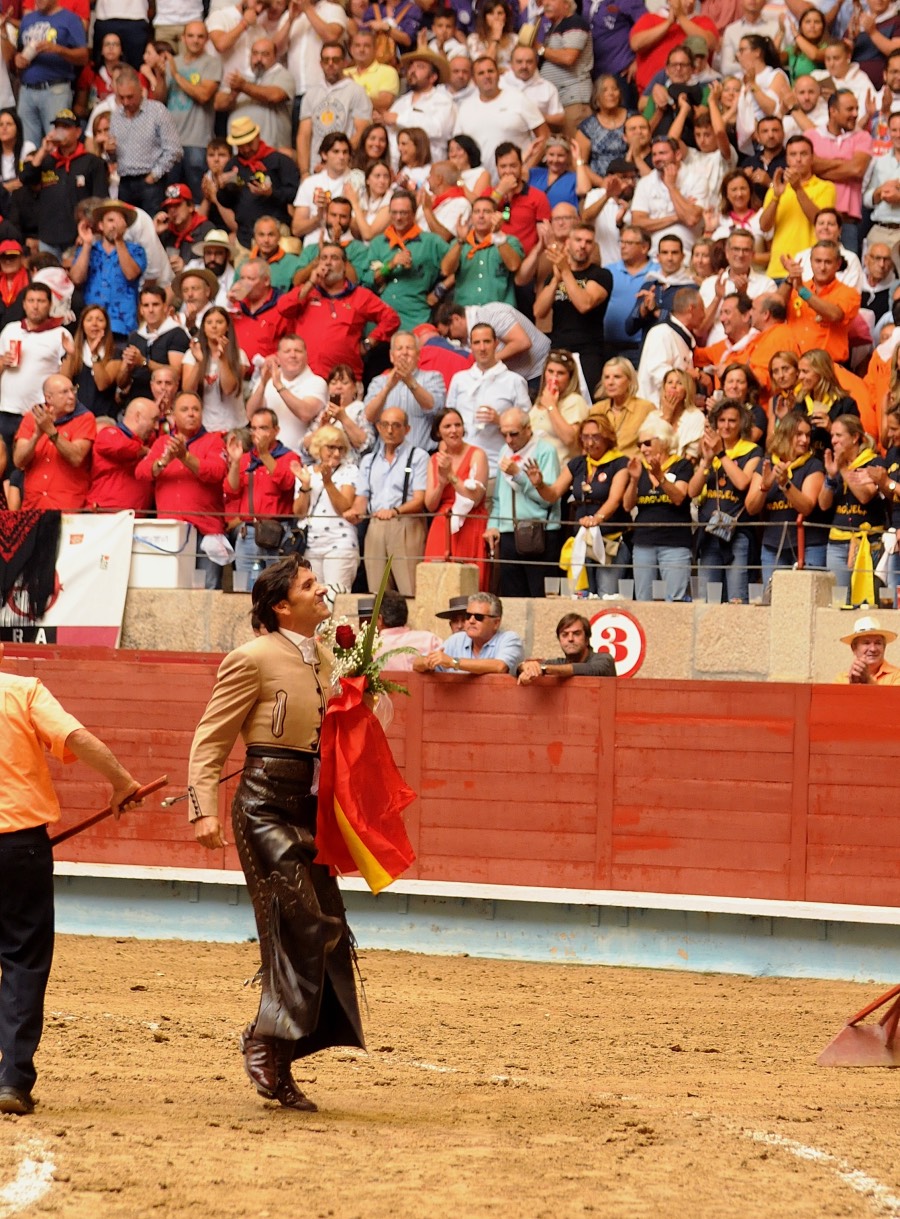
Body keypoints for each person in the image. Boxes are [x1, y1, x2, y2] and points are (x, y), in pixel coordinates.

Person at [187, 555, 364, 1112]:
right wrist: (203, 809)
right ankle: (266, 1039)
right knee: (303, 923)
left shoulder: (327, 656)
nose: (321, 590)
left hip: (311, 808)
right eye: (309, 585)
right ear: (282, 606)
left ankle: (277, 1055)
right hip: (264, 805)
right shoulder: (251, 658)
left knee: (328, 927)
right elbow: (211, 738)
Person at [0, 639, 142, 1117]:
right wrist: (121, 781)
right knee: (22, 959)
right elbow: (77, 739)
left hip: (19, 843)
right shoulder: (21, 691)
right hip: (18, 844)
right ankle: (12, 1080)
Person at [526, 414, 628, 596]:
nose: (590, 443)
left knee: (606, 596)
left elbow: (614, 500)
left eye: (595, 437)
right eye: (585, 437)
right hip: (582, 541)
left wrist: (596, 519)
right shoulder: (577, 463)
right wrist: (540, 484)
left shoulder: (620, 463)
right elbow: (553, 494)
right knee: (580, 596)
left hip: (609, 542)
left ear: (607, 437)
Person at [135, 391, 229, 584]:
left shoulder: (214, 441)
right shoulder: (162, 442)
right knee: (170, 587)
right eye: (185, 409)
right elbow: (141, 472)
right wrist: (163, 461)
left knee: (206, 591)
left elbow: (217, 472)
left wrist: (184, 457)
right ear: (173, 415)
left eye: (196, 409)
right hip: (170, 531)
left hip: (206, 531)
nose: (191, 414)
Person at [276, 242, 400, 380]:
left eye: (334, 258)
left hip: (342, 381)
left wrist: (368, 343)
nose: (328, 262)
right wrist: (310, 283)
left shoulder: (360, 295)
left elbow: (392, 318)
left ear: (345, 265)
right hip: (305, 379)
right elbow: (283, 308)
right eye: (324, 258)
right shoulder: (307, 292)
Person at [688, 398, 763, 603]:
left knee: (736, 599)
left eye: (732, 420)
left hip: (737, 534)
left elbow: (742, 482)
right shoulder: (708, 450)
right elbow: (692, 491)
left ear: (742, 423)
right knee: (707, 600)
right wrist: (706, 461)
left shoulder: (752, 451)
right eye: (721, 420)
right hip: (709, 532)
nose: (726, 426)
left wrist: (721, 454)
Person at [485, 406, 562, 598]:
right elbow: (498, 497)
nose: (508, 440)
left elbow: (548, 499)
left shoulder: (545, 451)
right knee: (512, 598)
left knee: (541, 597)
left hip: (539, 531)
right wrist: (493, 525)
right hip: (508, 531)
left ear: (528, 429)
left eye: (514, 434)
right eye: (504, 434)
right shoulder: (504, 451)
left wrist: (519, 476)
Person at [351, 406, 428, 596]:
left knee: (409, 587)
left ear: (407, 429)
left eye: (396, 425)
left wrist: (395, 511)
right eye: (385, 425)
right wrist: (354, 512)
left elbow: (420, 499)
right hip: (376, 524)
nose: (390, 430)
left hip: (406, 522)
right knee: (377, 590)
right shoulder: (369, 460)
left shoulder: (418, 456)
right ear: (378, 427)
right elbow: (362, 498)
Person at [0, 282, 74, 475]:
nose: (35, 306)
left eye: (41, 301)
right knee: (3, 468)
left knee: (29, 469)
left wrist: (70, 355)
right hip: (6, 410)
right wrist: (2, 363)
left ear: (50, 305)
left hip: (37, 413)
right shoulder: (10, 330)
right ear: (24, 304)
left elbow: (65, 379)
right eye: (31, 301)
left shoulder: (60, 333)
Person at [745, 412, 826, 583]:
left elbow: (806, 507)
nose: (805, 440)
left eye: (807, 435)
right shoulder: (767, 464)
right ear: (785, 435)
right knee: (774, 596)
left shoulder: (813, 465)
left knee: (806, 596)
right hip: (772, 546)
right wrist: (764, 487)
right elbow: (751, 508)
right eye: (799, 434)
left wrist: (785, 484)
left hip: (808, 546)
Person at [444, 322, 531, 478]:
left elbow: (528, 426)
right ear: (471, 346)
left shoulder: (514, 381)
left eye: (487, 342)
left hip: (499, 467)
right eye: (477, 343)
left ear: (496, 343)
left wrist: (500, 421)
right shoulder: (459, 380)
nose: (482, 348)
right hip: (462, 468)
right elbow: (448, 420)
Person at [534, 222, 612, 395]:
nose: (583, 245)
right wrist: (556, 280)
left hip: (588, 352)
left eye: (588, 242)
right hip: (558, 349)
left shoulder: (601, 275)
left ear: (593, 247)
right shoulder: (555, 275)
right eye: (578, 240)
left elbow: (584, 304)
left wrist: (565, 272)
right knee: (552, 399)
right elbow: (539, 312)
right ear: (568, 243)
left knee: (588, 401)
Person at [20, 108, 108, 256]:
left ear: (78, 132)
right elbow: (25, 178)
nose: (60, 131)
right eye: (57, 127)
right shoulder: (46, 161)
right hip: (48, 237)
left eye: (66, 127)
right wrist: (43, 151)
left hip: (79, 236)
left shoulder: (93, 162)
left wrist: (88, 230)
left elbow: (100, 200)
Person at [624, 416, 693, 601]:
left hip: (674, 543)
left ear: (663, 442)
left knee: (675, 601)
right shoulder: (640, 468)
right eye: (640, 445)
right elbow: (627, 505)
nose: (642, 449)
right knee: (643, 600)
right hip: (643, 542)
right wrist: (634, 480)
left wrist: (660, 477)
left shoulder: (682, 465)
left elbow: (679, 498)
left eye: (647, 443)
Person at [818, 414, 885, 605]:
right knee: (838, 603)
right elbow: (823, 504)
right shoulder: (836, 466)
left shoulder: (874, 462)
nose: (833, 440)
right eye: (832, 436)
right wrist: (831, 477)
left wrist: (843, 469)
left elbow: (865, 495)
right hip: (837, 543)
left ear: (855, 437)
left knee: (865, 603)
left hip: (868, 543)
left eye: (839, 435)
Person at [227, 406, 298, 588]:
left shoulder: (289, 457)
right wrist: (235, 463)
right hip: (248, 533)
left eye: (263, 428)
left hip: (277, 533)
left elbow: (287, 483)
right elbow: (232, 490)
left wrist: (265, 454)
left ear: (276, 430)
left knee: (276, 589)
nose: (257, 433)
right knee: (244, 590)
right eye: (254, 428)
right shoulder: (246, 458)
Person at [361, 190, 448, 328]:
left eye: (404, 213)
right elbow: (367, 280)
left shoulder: (430, 242)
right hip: (381, 320)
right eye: (394, 213)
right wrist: (390, 265)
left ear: (414, 214)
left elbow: (459, 264)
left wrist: (440, 289)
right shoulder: (378, 243)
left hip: (415, 318)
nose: (398, 218)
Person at [422, 406, 489, 585]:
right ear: (438, 432)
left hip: (471, 522)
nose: (453, 430)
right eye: (447, 426)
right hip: (443, 523)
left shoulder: (477, 454)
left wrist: (451, 475)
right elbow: (430, 505)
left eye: (457, 425)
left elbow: (475, 499)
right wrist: (441, 483)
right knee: (436, 582)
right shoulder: (435, 459)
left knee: (469, 583)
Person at [291, 424, 360, 594]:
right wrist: (305, 485)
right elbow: (299, 513)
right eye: (331, 447)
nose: (336, 453)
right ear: (318, 447)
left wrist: (328, 482)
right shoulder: (306, 472)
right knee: (313, 597)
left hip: (340, 543)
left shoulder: (350, 470)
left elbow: (344, 507)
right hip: (311, 545)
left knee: (336, 595)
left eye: (341, 448)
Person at [13, 373, 96, 511]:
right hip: (34, 505)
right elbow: (19, 461)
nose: (72, 396)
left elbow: (76, 458)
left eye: (73, 390)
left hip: (67, 506)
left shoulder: (85, 418)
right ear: (48, 398)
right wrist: (36, 436)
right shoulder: (32, 417)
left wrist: (51, 431)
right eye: (64, 392)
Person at [456, 56, 549, 178]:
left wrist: (526, 169)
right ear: (473, 79)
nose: (487, 76)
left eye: (490, 71)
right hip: (480, 183)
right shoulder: (465, 107)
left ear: (498, 74)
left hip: (519, 180)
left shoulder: (518, 98)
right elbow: (457, 149)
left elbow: (545, 136)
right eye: (481, 73)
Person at [215, 116, 300, 251]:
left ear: (258, 136)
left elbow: (295, 193)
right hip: (245, 237)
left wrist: (272, 193)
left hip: (277, 235)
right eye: (241, 146)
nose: (246, 149)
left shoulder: (279, 161)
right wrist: (223, 188)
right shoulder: (233, 165)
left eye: (249, 143)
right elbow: (226, 202)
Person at [14, 0, 88, 150]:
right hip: (27, 90)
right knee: (27, 146)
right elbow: (19, 50)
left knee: (57, 143)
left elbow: (84, 56)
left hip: (55, 90)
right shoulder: (27, 20)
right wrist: (18, 59)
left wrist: (58, 50)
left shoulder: (70, 19)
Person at [70, 198, 147, 341]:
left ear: (125, 226)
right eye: (110, 220)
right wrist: (87, 244)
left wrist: (119, 241)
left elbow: (131, 274)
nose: (114, 225)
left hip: (123, 327)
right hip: (91, 326)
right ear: (101, 225)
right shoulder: (88, 250)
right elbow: (76, 279)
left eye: (119, 221)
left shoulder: (136, 250)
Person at [110, 67, 182, 215]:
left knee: (153, 225)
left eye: (130, 97)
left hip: (150, 182)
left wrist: (154, 175)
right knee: (125, 226)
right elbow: (113, 157)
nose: (125, 102)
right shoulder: (116, 116)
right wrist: (109, 151)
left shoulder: (157, 111)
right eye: (121, 97)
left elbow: (175, 150)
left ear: (141, 90)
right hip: (124, 182)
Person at [162, 20, 221, 202]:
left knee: (199, 196)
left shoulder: (212, 63)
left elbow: (204, 95)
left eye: (200, 36)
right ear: (183, 38)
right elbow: (160, 99)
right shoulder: (173, 62)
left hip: (198, 141)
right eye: (191, 36)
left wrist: (176, 75)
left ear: (206, 40)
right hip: (171, 142)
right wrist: (157, 74)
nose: (195, 40)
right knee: (171, 197)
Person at [246, 333, 327, 457]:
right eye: (287, 351)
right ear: (278, 356)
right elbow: (250, 415)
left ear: (306, 355)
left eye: (298, 351)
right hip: (265, 455)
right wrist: (262, 383)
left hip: (300, 457)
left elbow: (305, 414)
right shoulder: (268, 378)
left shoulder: (317, 382)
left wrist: (279, 386)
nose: (293, 355)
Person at [363, 331, 445, 452]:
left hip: (421, 455)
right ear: (391, 356)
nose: (404, 352)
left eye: (409, 348)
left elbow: (435, 408)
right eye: (399, 348)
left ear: (418, 354)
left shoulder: (433, 377)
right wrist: (387, 388)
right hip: (386, 456)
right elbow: (369, 416)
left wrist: (410, 382)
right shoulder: (379, 382)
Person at [439, 196, 522, 308]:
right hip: (465, 311)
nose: (481, 216)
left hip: (499, 311)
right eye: (476, 212)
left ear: (496, 215)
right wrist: (460, 241)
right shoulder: (459, 244)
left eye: (486, 211)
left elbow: (513, 265)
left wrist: (497, 235)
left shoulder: (509, 241)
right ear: (471, 217)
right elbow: (446, 270)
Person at [412, 591, 524, 674]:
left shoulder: (509, 639)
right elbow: (417, 663)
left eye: (478, 617)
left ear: (496, 623)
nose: (471, 621)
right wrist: (426, 662)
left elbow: (499, 666)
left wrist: (453, 662)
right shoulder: (457, 639)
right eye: (468, 615)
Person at [116, 285, 191, 405]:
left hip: (166, 403)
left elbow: (176, 373)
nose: (150, 310)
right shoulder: (135, 337)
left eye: (155, 304)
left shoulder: (177, 334)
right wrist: (127, 367)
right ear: (141, 310)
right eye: (146, 305)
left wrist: (143, 362)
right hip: (136, 401)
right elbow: (121, 383)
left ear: (165, 307)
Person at [182, 306, 249, 433]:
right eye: (209, 322)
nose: (214, 326)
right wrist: (199, 362)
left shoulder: (239, 355)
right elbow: (188, 391)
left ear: (227, 327)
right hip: (204, 427)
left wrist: (222, 359)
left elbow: (228, 389)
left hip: (234, 427)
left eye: (219, 322)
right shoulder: (191, 354)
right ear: (203, 327)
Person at [636, 285, 705, 404]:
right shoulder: (661, 333)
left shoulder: (679, 335)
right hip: (654, 408)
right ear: (691, 309)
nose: (704, 315)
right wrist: (688, 376)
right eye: (702, 309)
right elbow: (658, 372)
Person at [87, 396, 158, 512]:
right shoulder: (108, 433)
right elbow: (120, 447)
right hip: (105, 515)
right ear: (138, 417)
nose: (156, 426)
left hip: (136, 517)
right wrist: (145, 451)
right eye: (154, 420)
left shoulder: (148, 440)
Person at [60, 304, 122, 419]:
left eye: (100, 320)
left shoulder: (115, 353)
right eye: (89, 320)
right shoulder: (75, 352)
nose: (94, 324)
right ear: (82, 325)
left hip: (104, 417)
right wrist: (70, 354)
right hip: (76, 415)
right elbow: (63, 382)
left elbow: (102, 385)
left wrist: (94, 354)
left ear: (106, 325)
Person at [529, 348, 590, 463]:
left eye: (560, 373)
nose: (554, 378)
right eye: (550, 371)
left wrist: (551, 406)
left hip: (561, 468)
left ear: (570, 377)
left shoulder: (575, 401)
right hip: (536, 467)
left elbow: (569, 439)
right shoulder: (540, 401)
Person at [517, 613, 616, 683]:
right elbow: (514, 669)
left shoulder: (604, 659)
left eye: (576, 634)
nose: (570, 639)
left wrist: (542, 669)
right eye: (564, 635)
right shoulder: (559, 664)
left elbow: (588, 669)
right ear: (559, 640)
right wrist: (525, 667)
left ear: (587, 639)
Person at [835, 615, 900, 684]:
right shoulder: (842, 679)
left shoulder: (897, 676)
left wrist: (868, 680)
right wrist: (852, 685)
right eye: (866, 643)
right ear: (854, 648)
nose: (873, 649)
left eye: (878, 643)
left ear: (884, 647)